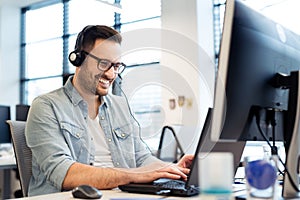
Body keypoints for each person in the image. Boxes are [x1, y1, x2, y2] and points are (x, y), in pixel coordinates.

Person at [25, 25, 193, 196]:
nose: (111, 74)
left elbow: (141, 158)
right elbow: (64, 173)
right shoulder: (46, 106)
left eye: (116, 66)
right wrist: (133, 176)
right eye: (104, 64)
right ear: (78, 59)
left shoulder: (119, 106)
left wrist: (173, 169)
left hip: (120, 195)